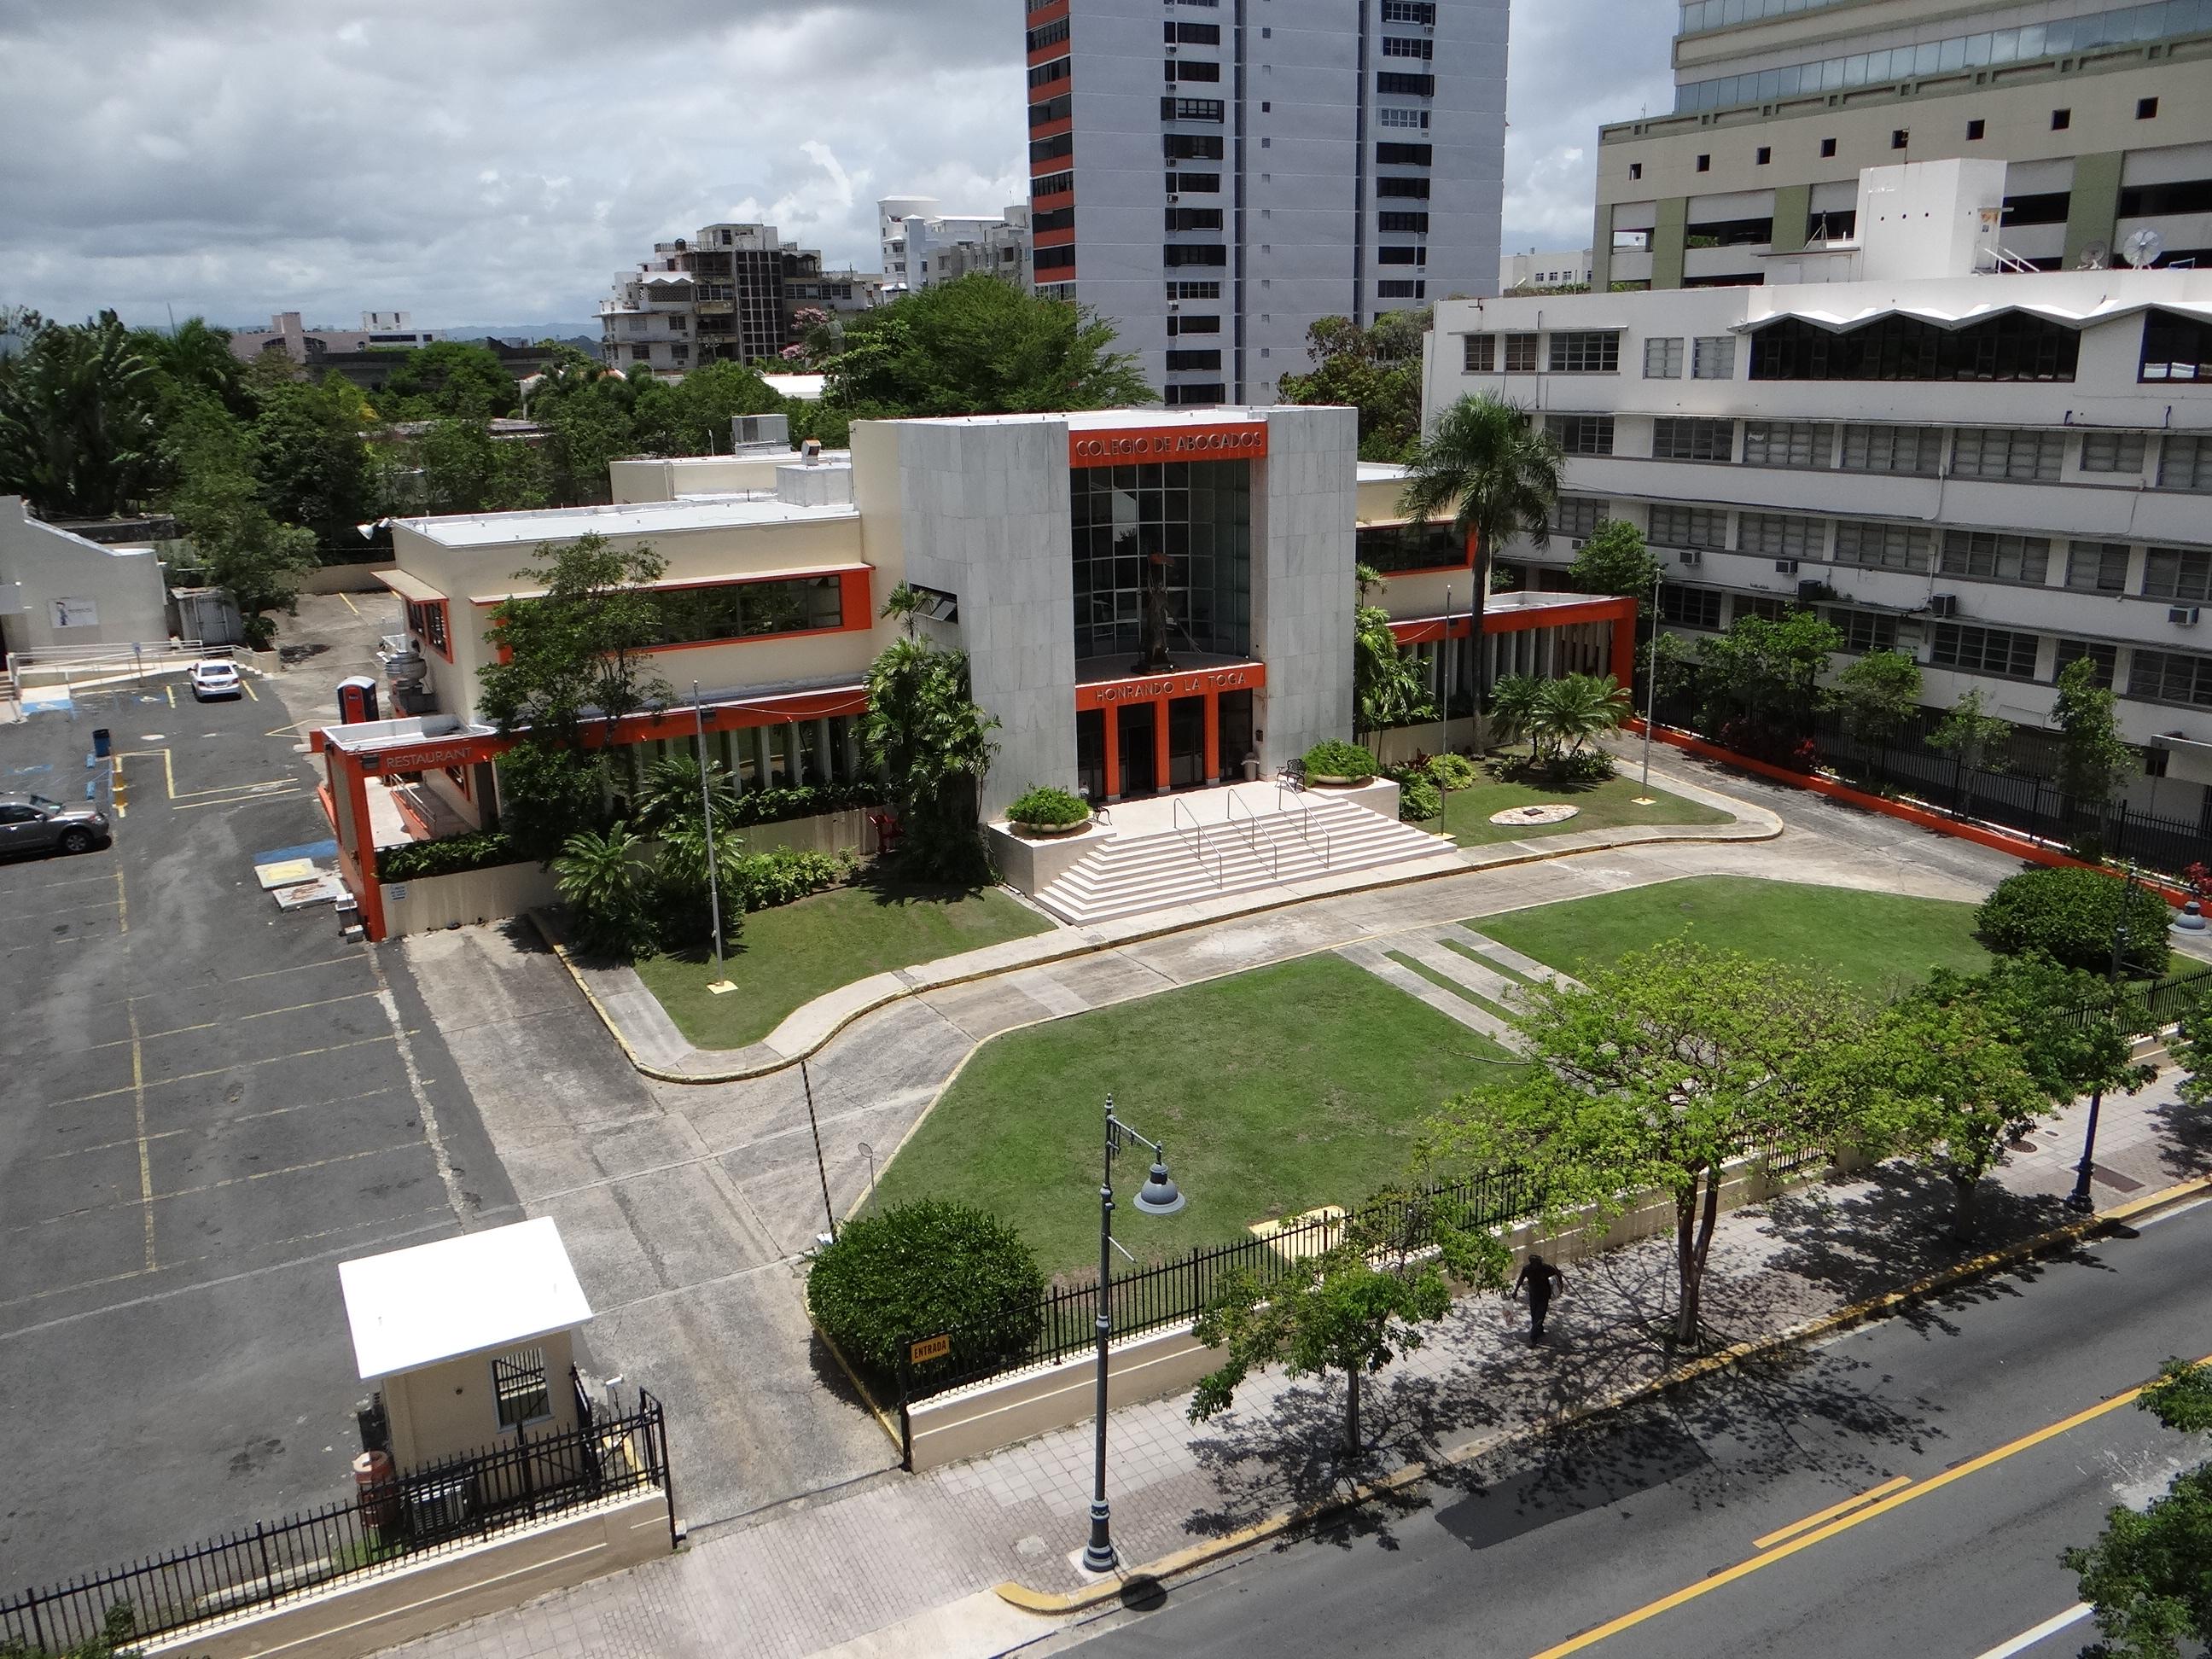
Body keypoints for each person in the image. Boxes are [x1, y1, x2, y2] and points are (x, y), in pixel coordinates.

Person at [1511, 1252, 1567, 1345]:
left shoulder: (1546, 1268)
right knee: (1534, 1316)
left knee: (1539, 1315)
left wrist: (1560, 1286)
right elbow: (1520, 1280)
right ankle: (1539, 1330)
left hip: (1544, 1296)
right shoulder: (1527, 1269)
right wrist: (1515, 1291)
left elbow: (1557, 1274)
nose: (1537, 1265)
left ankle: (1533, 1338)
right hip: (1533, 1295)